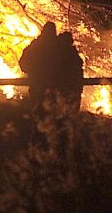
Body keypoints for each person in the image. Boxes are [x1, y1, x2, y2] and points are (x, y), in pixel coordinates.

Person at [19, 22, 84, 150]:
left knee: (41, 124)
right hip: (62, 95)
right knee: (62, 125)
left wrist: (36, 73)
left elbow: (23, 65)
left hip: (41, 93)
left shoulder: (37, 47)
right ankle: (59, 154)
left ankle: (39, 154)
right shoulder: (65, 50)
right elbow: (77, 74)